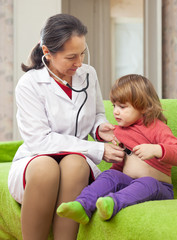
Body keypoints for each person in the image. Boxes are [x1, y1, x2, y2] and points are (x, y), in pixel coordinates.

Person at [8, 14, 124, 240]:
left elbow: (97, 114)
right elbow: (40, 141)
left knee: (75, 164)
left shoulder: (88, 74)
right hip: (36, 158)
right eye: (71, 57)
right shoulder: (29, 84)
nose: (79, 63)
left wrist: (100, 129)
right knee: (45, 169)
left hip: (78, 160)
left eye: (82, 53)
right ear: (47, 52)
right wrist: (98, 150)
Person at [57, 74, 177, 224]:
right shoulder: (119, 132)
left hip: (159, 188)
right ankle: (82, 205)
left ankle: (112, 203)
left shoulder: (156, 127)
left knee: (147, 183)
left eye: (122, 107)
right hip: (129, 183)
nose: (115, 112)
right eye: (114, 106)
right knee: (110, 174)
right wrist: (111, 175)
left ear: (144, 107)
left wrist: (157, 149)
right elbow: (120, 163)